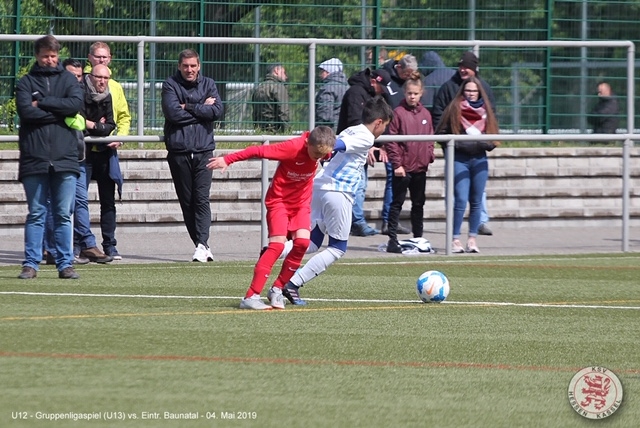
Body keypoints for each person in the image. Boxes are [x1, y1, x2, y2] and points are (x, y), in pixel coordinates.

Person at [207, 127, 336, 310]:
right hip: (279, 202)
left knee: (302, 243)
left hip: (301, 205)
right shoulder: (292, 147)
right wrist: (228, 159)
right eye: (316, 154)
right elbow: (256, 151)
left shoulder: (324, 148)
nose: (318, 158)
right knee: (277, 246)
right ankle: (251, 296)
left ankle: (277, 289)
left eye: (322, 155)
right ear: (308, 143)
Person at [281, 96, 394, 305]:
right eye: (385, 126)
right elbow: (336, 146)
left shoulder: (351, 129)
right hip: (338, 191)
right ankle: (293, 284)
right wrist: (319, 145)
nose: (383, 130)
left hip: (319, 186)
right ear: (378, 122)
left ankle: (274, 249)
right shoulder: (366, 137)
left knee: (312, 242)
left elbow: (334, 152)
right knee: (337, 248)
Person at [15, 35, 83, 279]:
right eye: (45, 56)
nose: (50, 60)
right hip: (34, 158)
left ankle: (65, 264)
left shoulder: (68, 79)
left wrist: (42, 102)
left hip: (65, 158)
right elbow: (26, 112)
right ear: (37, 56)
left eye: (53, 56)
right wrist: (58, 113)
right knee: (36, 213)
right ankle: (31, 263)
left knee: (63, 214)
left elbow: (75, 105)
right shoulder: (25, 82)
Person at [162, 48, 224, 262]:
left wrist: (188, 106)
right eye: (185, 66)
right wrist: (201, 110)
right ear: (179, 66)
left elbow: (217, 112)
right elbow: (173, 114)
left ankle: (202, 244)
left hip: (204, 151)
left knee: (201, 198)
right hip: (178, 151)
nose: (189, 70)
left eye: (193, 66)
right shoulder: (170, 84)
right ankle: (201, 244)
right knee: (187, 201)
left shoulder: (209, 84)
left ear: (199, 66)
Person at [432, 51, 496, 236]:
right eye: (460, 66)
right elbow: (438, 116)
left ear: (474, 69)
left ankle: (479, 223)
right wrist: (448, 143)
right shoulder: (448, 88)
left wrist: (487, 143)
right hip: (455, 152)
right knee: (457, 193)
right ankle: (454, 228)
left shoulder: (484, 88)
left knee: (477, 194)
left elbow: (492, 116)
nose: (462, 70)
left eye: (466, 67)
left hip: (478, 153)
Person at [85, 41, 131, 259]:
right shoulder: (82, 83)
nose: (102, 59)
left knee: (108, 200)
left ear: (110, 59)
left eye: (105, 57)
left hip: (107, 150)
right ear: (90, 58)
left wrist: (119, 138)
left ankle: (110, 245)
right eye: (98, 56)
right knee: (78, 200)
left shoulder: (115, 86)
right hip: (84, 150)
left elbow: (124, 117)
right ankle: (81, 244)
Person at [337, 68, 391, 237]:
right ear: (374, 81)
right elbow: (355, 121)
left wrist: (381, 144)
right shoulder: (356, 93)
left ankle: (353, 221)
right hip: (352, 148)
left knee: (360, 184)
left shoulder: (370, 94)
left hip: (359, 146)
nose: (383, 91)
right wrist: (368, 146)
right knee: (358, 185)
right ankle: (356, 222)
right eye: (381, 87)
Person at [385, 77, 435, 253]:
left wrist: (429, 156)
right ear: (404, 93)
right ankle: (392, 239)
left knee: (418, 204)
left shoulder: (426, 114)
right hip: (403, 168)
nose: (412, 96)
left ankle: (418, 238)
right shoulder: (398, 113)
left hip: (420, 168)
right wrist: (397, 164)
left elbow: (430, 138)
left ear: (421, 94)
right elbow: (391, 141)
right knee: (397, 203)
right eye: (409, 93)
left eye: (415, 93)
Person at [380, 54, 420, 235]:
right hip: (392, 140)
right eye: (408, 73)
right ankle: (388, 222)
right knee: (393, 182)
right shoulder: (386, 80)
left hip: (408, 144)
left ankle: (392, 221)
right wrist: (383, 141)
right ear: (399, 68)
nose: (410, 76)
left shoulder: (410, 82)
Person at [252, 63, 289, 133]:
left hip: (260, 132)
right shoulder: (279, 87)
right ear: (276, 70)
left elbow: (255, 114)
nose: (286, 76)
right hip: (275, 132)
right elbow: (284, 112)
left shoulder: (258, 88)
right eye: (284, 72)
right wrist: (287, 132)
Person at [315, 58, 348, 131]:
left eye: (322, 71)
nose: (320, 75)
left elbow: (325, 114)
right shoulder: (347, 86)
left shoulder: (328, 88)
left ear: (328, 72)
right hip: (345, 128)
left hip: (330, 131)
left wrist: (320, 130)